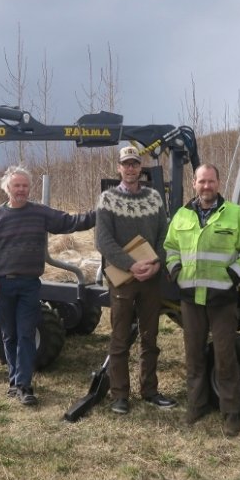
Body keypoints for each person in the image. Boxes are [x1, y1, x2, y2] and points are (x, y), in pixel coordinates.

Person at [0, 165, 96, 406]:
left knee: (26, 334)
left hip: (29, 285)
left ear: (29, 188)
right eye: (16, 186)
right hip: (2, 285)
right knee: (8, 336)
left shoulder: (40, 213)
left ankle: (24, 384)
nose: (21, 190)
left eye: (24, 185)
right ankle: (14, 381)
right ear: (7, 189)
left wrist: (100, 213)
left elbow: (71, 222)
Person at [164, 164, 240, 436]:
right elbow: (171, 247)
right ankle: (196, 405)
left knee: (225, 356)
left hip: (222, 299)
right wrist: (175, 271)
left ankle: (231, 412)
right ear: (194, 183)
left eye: (211, 181)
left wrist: (233, 274)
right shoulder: (181, 216)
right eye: (201, 181)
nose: (206, 186)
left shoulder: (235, 215)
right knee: (193, 355)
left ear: (218, 183)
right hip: (191, 298)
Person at [96, 145, 177, 415]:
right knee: (119, 338)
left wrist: (156, 264)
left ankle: (150, 390)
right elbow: (103, 241)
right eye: (125, 164)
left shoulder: (154, 198)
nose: (130, 168)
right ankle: (120, 395)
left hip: (151, 279)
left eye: (134, 163)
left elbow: (165, 236)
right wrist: (132, 264)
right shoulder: (107, 199)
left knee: (150, 337)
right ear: (118, 167)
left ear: (140, 167)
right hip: (123, 280)